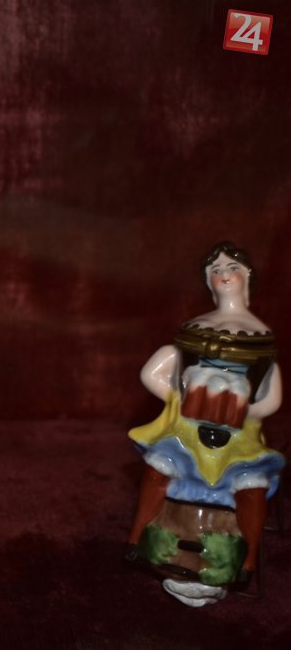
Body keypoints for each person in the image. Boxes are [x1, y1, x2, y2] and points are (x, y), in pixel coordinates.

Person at [126, 242, 283, 604]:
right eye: (215, 270)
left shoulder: (259, 335)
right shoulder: (198, 327)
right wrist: (180, 399)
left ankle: (245, 560)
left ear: (247, 276)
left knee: (251, 486)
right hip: (188, 429)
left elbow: (271, 399)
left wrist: (241, 411)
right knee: (158, 468)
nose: (224, 275)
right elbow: (154, 372)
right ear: (208, 282)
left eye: (232, 268)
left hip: (238, 435)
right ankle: (137, 539)